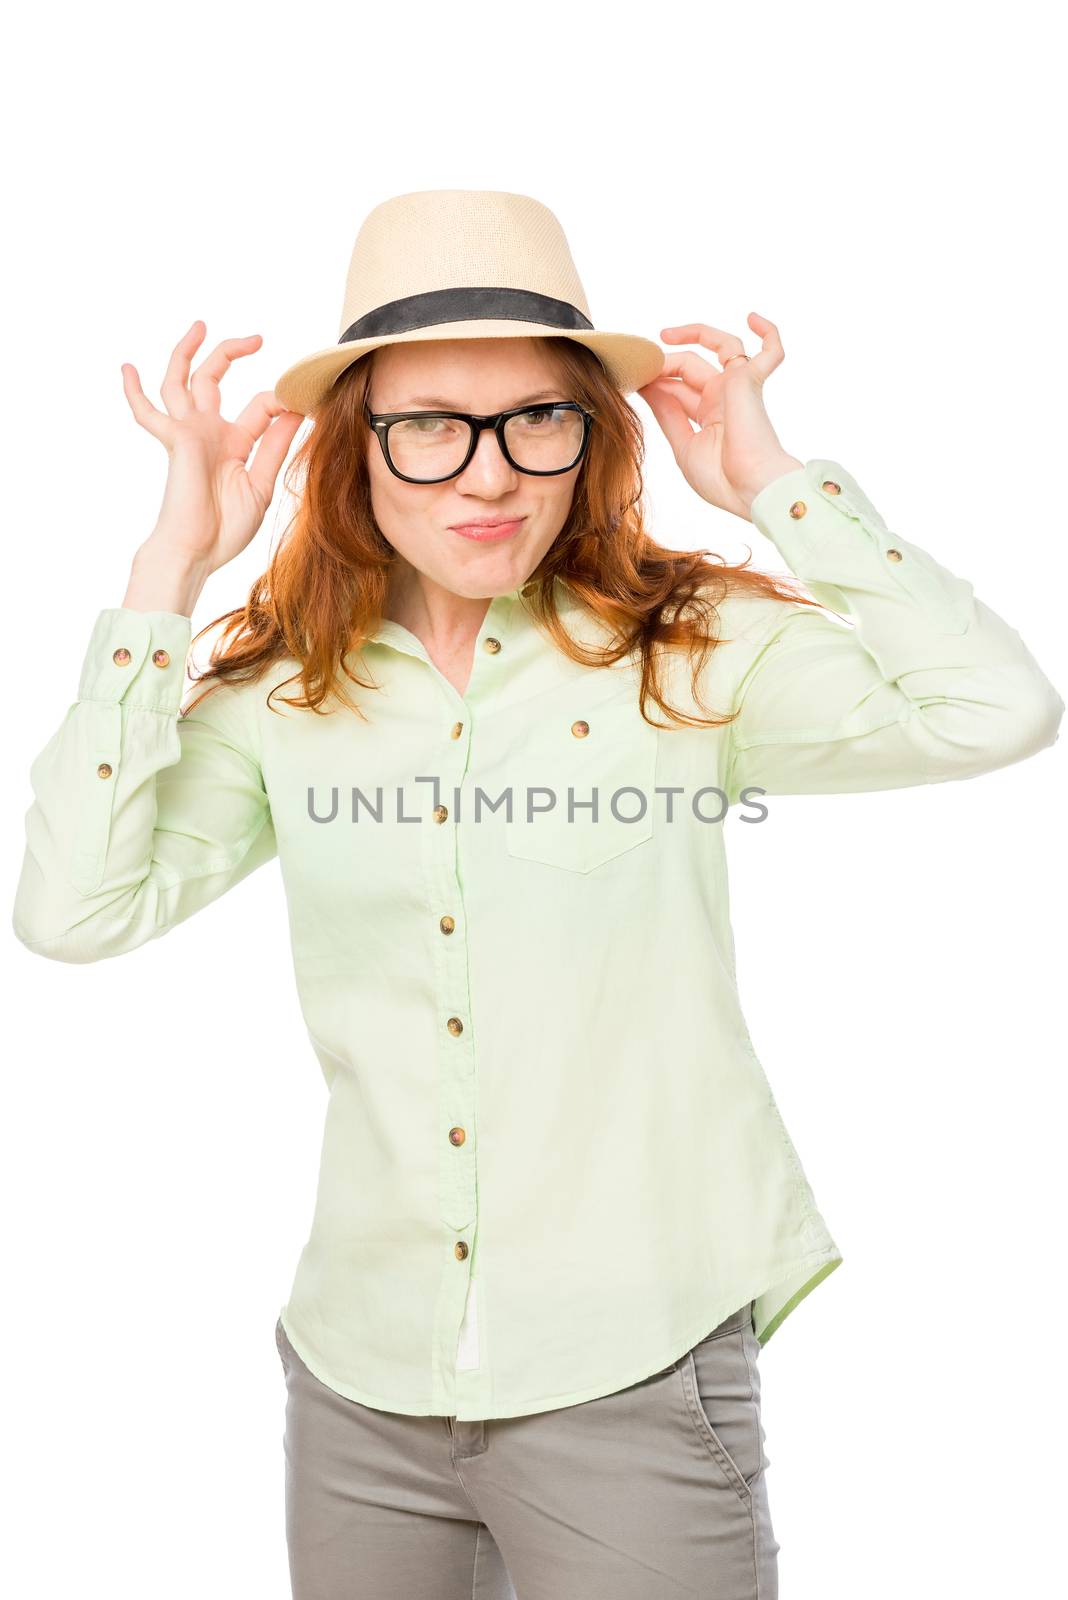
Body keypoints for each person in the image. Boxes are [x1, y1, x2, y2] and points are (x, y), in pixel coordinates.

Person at [11, 189, 1064, 1600]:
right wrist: (166, 575)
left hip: (630, 1368)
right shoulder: (286, 693)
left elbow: (996, 709)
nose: (489, 475)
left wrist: (777, 488)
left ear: (590, 438)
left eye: (537, 422)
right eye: (432, 424)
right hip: (359, 1382)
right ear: (358, 448)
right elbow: (73, 911)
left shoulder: (689, 650)